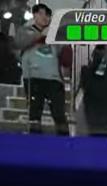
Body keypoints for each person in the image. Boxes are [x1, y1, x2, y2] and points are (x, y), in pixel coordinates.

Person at [14, 3, 69, 135]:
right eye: (41, 13)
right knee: (34, 113)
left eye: (47, 15)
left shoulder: (54, 33)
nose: (44, 17)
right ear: (34, 15)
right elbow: (20, 43)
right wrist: (41, 35)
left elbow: (64, 55)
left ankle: (64, 141)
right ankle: (34, 140)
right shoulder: (25, 30)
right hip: (33, 77)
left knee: (59, 113)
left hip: (54, 78)